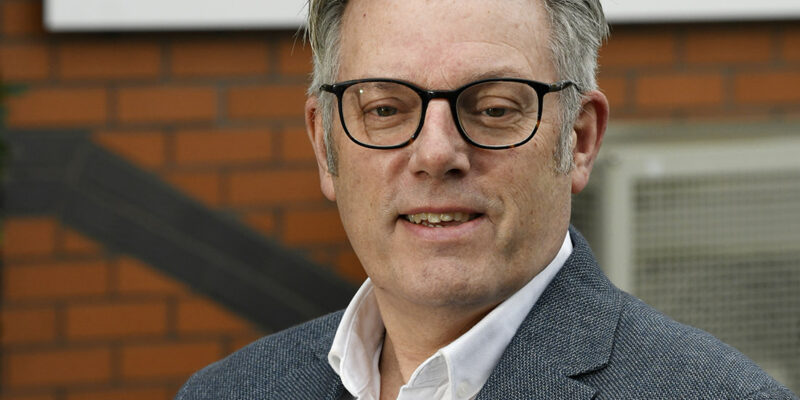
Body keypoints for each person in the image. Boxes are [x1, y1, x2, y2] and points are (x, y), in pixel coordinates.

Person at [176, 0, 797, 399]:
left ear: (579, 140)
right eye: (385, 108)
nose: (435, 152)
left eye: (495, 108)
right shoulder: (228, 392)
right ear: (324, 145)